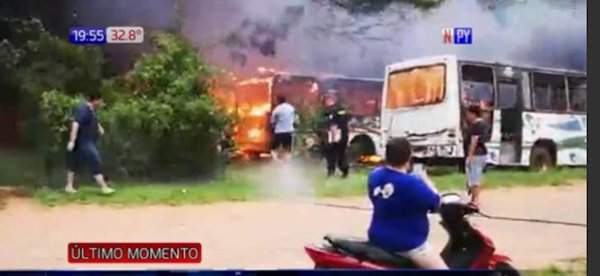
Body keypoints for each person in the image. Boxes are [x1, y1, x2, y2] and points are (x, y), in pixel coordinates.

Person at [367, 137, 448, 269]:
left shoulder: (374, 175)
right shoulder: (412, 183)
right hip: (407, 243)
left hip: (377, 236)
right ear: (409, 156)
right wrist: (427, 182)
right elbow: (435, 202)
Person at [65, 93, 114, 195]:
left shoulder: (91, 111)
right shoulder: (84, 110)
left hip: (85, 141)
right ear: (95, 100)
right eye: (100, 101)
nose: (101, 103)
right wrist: (72, 141)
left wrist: (99, 127)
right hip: (84, 141)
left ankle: (69, 186)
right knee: (95, 160)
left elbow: (93, 120)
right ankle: (104, 187)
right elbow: (75, 124)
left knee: (73, 163)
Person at [319, 91, 349, 178]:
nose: (326, 102)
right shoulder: (326, 111)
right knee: (331, 155)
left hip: (340, 135)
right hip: (330, 136)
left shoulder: (339, 109)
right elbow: (323, 122)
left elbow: (343, 120)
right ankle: (331, 172)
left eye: (327, 100)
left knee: (340, 154)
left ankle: (344, 171)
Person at [463, 105, 489, 205]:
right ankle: (473, 199)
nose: (467, 116)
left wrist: (470, 156)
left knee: (475, 178)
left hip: (477, 155)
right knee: (473, 177)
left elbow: (474, 141)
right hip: (480, 154)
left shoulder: (477, 125)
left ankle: (476, 200)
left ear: (473, 114)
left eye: (468, 113)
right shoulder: (480, 124)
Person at [270, 95, 296, 161]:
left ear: (278, 101)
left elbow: (273, 121)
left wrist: (272, 128)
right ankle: (287, 162)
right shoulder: (291, 108)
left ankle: (277, 160)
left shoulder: (277, 109)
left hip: (279, 131)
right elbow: (295, 118)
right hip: (289, 131)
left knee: (274, 148)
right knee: (287, 148)